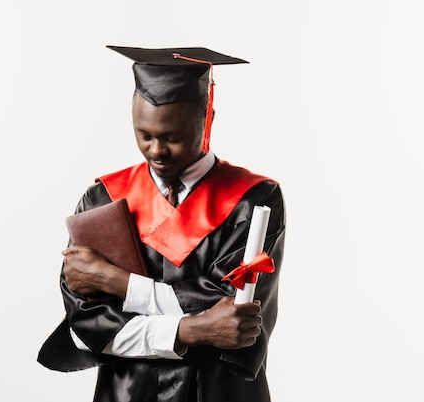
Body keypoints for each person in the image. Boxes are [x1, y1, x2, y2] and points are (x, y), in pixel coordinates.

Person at [38, 45, 286, 402]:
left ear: (207, 120)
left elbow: (235, 314)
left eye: (172, 137)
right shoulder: (104, 198)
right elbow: (89, 323)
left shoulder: (255, 199)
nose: (156, 150)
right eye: (144, 135)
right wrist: (191, 329)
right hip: (127, 392)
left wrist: (119, 284)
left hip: (218, 392)